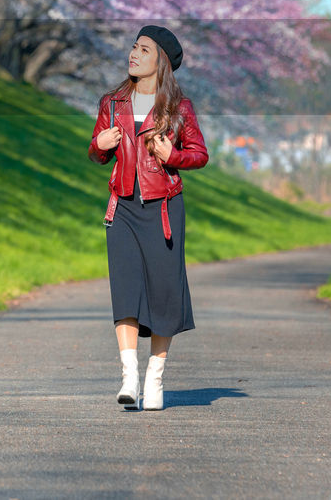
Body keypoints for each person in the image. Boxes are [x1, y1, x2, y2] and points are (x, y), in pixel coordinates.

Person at [87, 25, 209, 411]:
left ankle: (155, 378)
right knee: (124, 290)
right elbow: (97, 152)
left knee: (163, 294)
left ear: (162, 62)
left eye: (144, 49)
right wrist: (98, 145)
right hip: (122, 207)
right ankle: (129, 377)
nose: (134, 54)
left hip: (162, 208)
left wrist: (172, 155)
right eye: (133, 47)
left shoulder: (178, 108)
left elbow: (199, 154)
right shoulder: (112, 103)